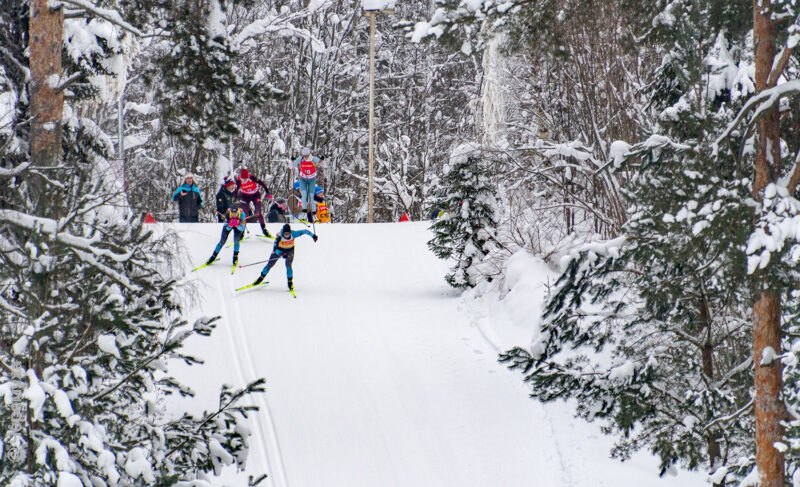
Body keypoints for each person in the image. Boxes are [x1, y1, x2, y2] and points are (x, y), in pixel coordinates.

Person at [250, 223, 317, 291]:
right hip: (279, 250)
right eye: (285, 234)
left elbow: (305, 231)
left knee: (288, 266)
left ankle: (290, 282)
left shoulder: (294, 233)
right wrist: (281, 254)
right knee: (269, 265)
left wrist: (313, 236)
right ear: (283, 233)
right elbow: (275, 249)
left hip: (290, 250)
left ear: (290, 232)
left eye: (288, 233)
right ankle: (260, 278)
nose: (287, 235)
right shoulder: (279, 236)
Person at [237, 168, 273, 238]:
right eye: (243, 179)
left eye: (246, 179)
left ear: (248, 177)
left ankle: (264, 230)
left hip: (255, 195)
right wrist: (235, 199)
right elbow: (236, 190)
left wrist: (267, 192)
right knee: (244, 213)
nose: (244, 180)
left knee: (258, 212)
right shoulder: (239, 180)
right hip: (245, 196)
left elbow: (262, 183)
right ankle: (242, 231)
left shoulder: (252, 177)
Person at [291, 147, 324, 222]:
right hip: (303, 179)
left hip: (312, 179)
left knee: (311, 197)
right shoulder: (300, 158)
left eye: (307, 155)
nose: (305, 157)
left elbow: (323, 165)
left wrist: (322, 160)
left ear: (309, 154)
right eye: (304, 155)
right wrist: (292, 161)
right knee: (305, 195)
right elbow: (291, 166)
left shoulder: (313, 159)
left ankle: (314, 215)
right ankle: (304, 214)